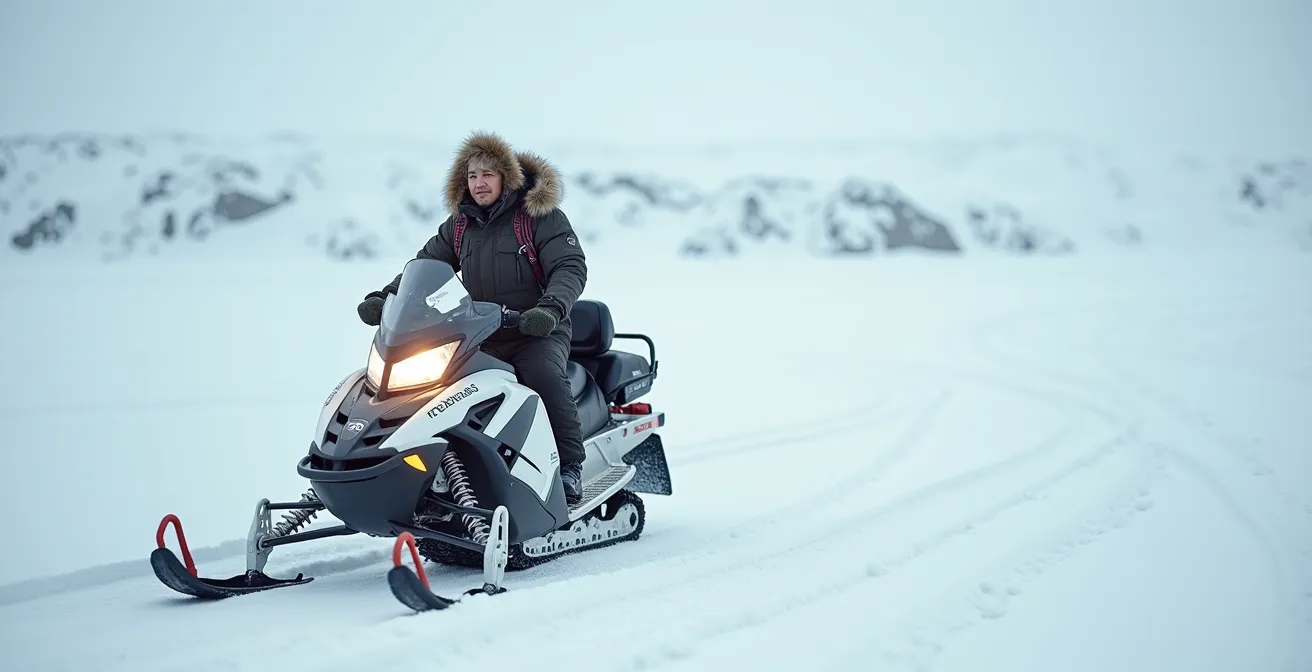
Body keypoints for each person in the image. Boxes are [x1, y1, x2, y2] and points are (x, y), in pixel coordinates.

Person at [356, 131, 587, 504]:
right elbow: (425, 265)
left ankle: (571, 465)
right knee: (439, 389)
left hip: (537, 330)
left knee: (541, 375)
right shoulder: (460, 225)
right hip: (481, 331)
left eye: (488, 175)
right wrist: (387, 297)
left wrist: (549, 310)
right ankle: (447, 468)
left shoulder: (538, 217)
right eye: (472, 176)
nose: (479, 183)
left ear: (506, 178)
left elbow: (570, 266)